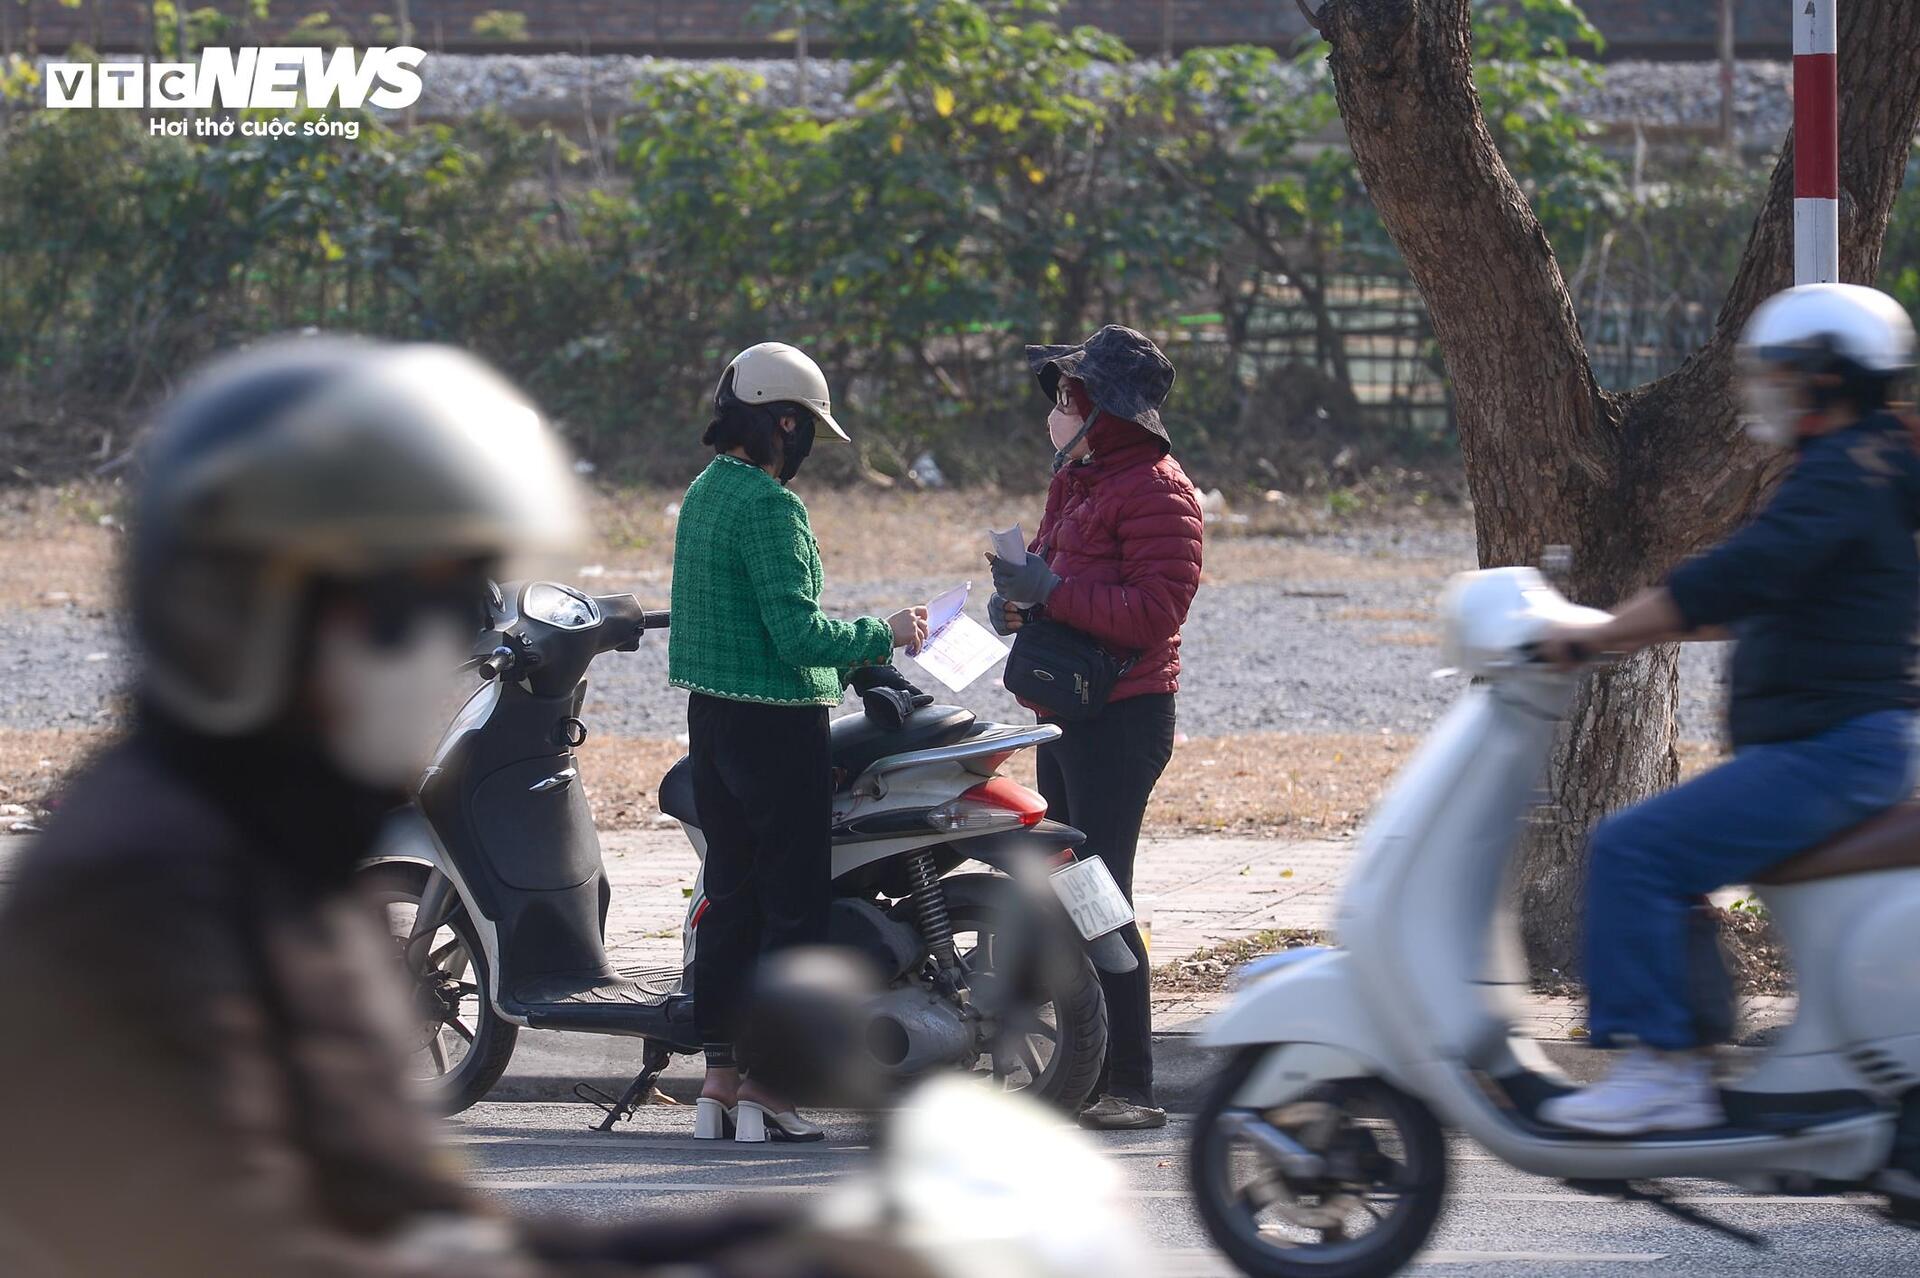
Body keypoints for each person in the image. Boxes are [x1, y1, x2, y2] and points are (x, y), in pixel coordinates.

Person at [0, 337, 925, 1278]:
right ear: (236, 611)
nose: (437, 641)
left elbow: (419, 1219)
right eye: (402, 602)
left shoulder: (275, 871)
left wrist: (782, 1245)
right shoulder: (144, 901)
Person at [1536, 283, 1920, 1135]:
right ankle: (1693, 1044)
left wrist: (1595, 633)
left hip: (1832, 753)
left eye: (1785, 378)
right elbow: (1761, 593)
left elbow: (1731, 577)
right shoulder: (1871, 464)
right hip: (1845, 745)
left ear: (1828, 383)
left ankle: (1664, 1070)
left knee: (1633, 848)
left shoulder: (1838, 478)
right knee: (1666, 854)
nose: (1770, 395)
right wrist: (1621, 630)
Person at [668, 341, 929, 1143]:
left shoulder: (706, 493)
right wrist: (879, 636)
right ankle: (772, 1090)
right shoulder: (772, 508)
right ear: (783, 422)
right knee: (790, 912)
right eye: (806, 426)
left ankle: (719, 1080)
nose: (809, 443)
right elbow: (794, 633)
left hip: (712, 723)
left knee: (731, 901)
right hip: (777, 730)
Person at [987, 325, 1203, 1131]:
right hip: (1070, 714)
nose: (1056, 409)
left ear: (1102, 410)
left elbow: (1152, 613)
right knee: (1064, 889)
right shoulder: (1076, 482)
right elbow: (1061, 578)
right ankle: (1081, 1074)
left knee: (1100, 894)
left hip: (1124, 719)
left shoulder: (1159, 490)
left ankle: (1132, 1086)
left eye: (1069, 397)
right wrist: (1020, 599)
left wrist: (1051, 587)